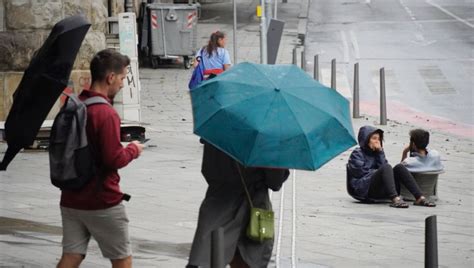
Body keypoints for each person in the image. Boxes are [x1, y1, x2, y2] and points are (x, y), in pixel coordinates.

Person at [57, 49, 144, 268]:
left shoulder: (75, 104)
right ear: (110, 77)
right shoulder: (105, 113)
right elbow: (113, 159)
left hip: (71, 197)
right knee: (122, 259)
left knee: (72, 256)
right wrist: (133, 149)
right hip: (101, 200)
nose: (123, 83)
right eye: (123, 77)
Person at [187, 141, 289, 268]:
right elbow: (275, 182)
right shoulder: (267, 141)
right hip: (252, 212)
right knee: (250, 259)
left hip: (217, 207)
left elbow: (207, 170)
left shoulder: (216, 133)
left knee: (207, 255)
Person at [347, 125, 435, 208]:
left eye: (379, 139)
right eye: (374, 138)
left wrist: (380, 152)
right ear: (366, 140)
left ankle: (419, 197)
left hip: (378, 187)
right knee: (386, 167)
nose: (377, 141)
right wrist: (378, 172)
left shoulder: (378, 153)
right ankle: (395, 198)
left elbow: (383, 169)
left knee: (399, 167)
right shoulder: (357, 153)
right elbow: (361, 173)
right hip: (363, 189)